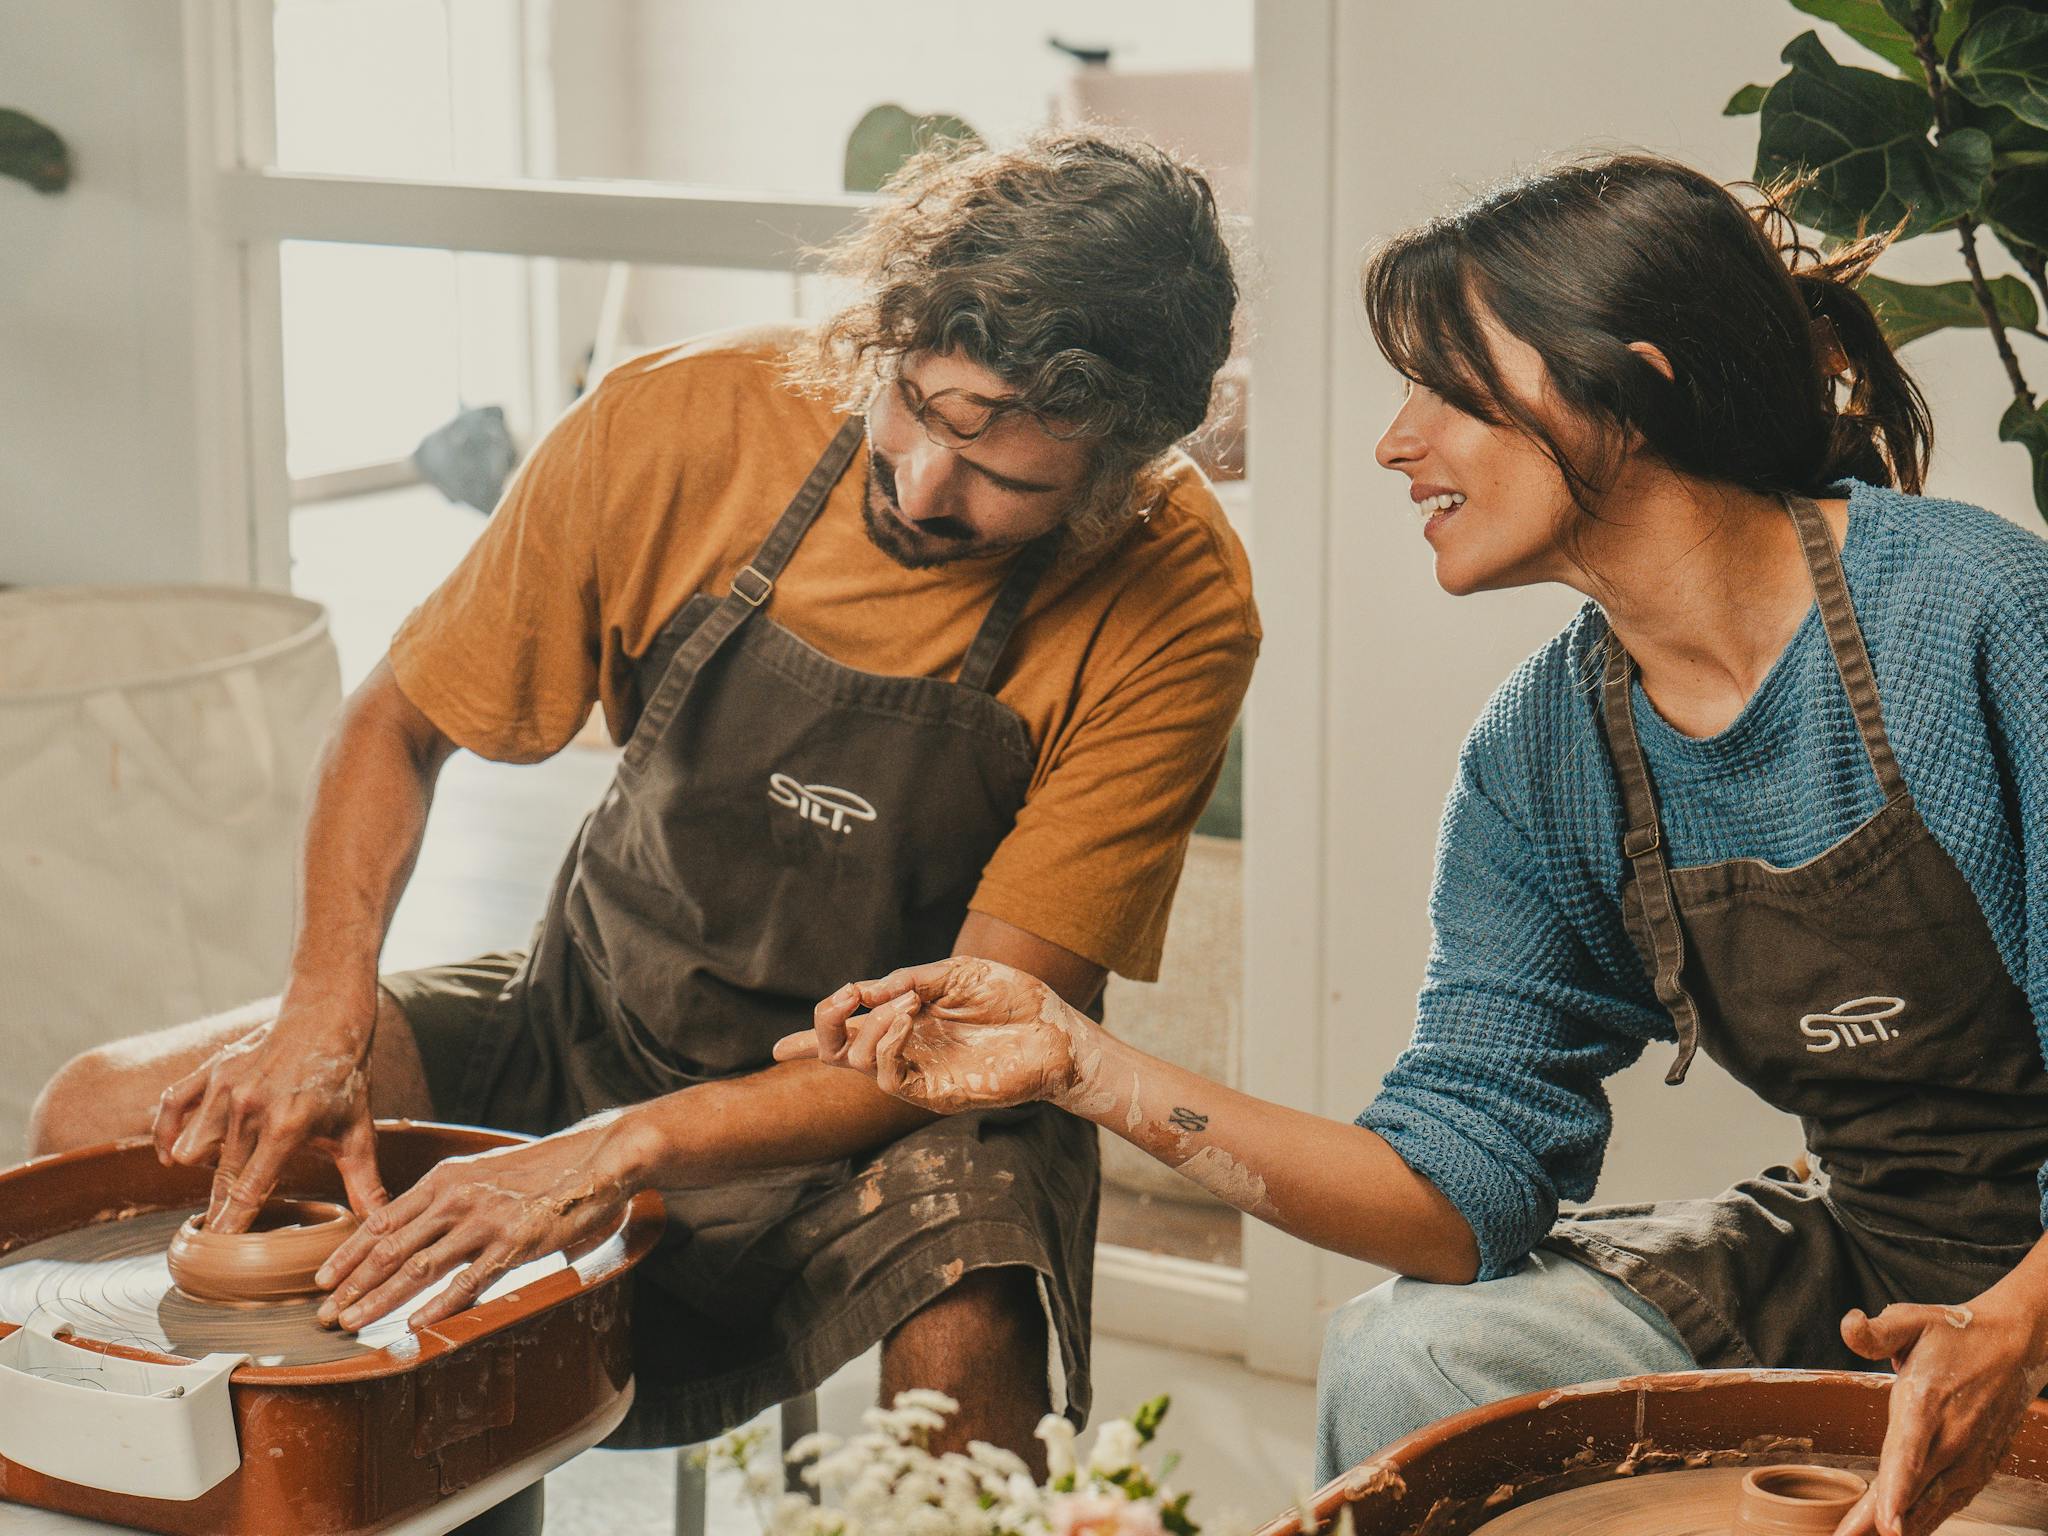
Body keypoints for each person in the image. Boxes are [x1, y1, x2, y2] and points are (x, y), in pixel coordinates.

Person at [776, 153, 2048, 1536]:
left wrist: (2013, 1326)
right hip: (1875, 1270)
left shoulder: (1973, 615)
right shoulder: (1547, 752)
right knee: (1417, 1351)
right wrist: (1086, 1063)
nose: (1397, 442)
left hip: (2026, 1283)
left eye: (1446, 388)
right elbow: (1459, 1192)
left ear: (1626, 384)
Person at [28, 128, 1258, 1463]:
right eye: (916, 408)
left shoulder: (1176, 596)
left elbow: (968, 1043)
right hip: (589, 1015)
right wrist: (325, 1009)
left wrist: (606, 1158)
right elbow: (395, 724)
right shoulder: (682, 420)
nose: (923, 486)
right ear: (887, 331)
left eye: (1006, 477)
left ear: (1120, 470)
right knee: (97, 1118)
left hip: (893, 1115)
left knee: (969, 1338)